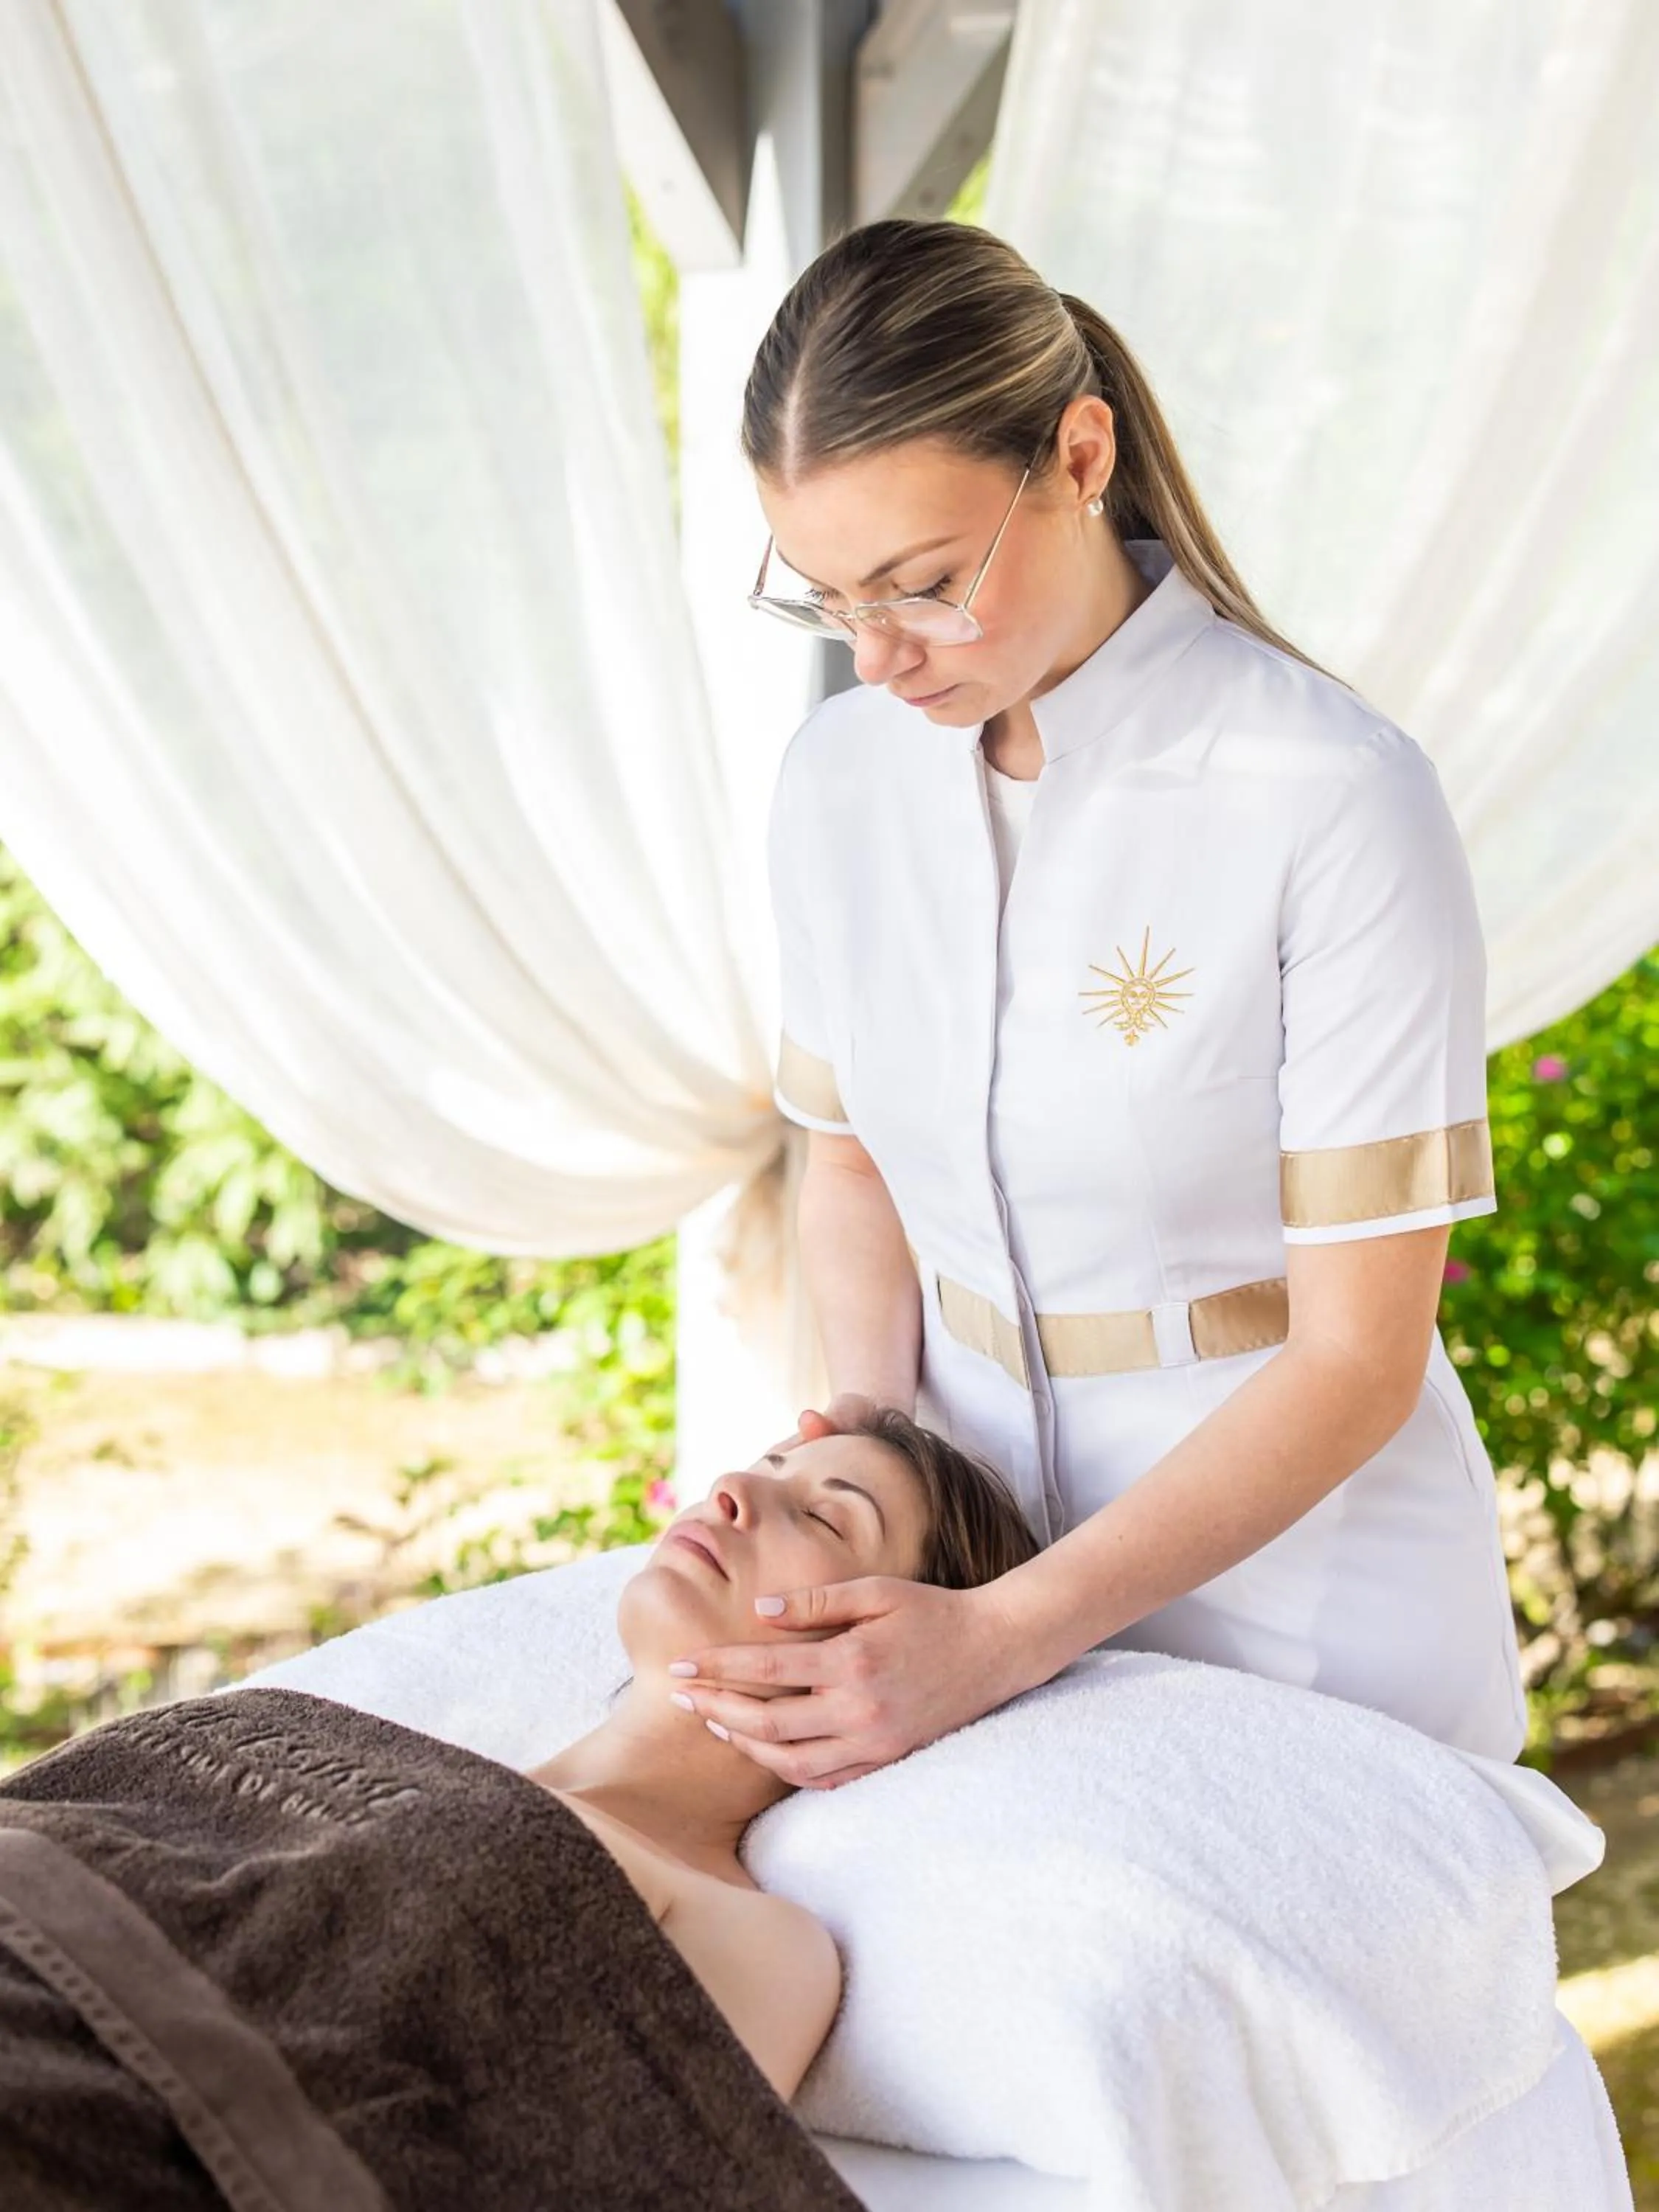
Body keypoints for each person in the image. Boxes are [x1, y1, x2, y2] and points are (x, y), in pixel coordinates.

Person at [661, 215, 1528, 1792]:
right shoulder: (842, 784)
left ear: (1076, 454)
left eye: (922, 584)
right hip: (965, 1585)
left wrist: (1005, 1635)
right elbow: (848, 1158)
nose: (876, 661)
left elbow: (1358, 1360)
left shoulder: (1327, 798)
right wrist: (858, 1459)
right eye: (829, 597)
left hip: (1306, 1610)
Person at [0, 1409, 1034, 2209]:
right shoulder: (380, 1747)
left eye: (822, 1513)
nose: (727, 1492)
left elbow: (634, 2173)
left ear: (896, 1654)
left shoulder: (753, 1934)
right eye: (757, 1468)